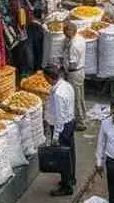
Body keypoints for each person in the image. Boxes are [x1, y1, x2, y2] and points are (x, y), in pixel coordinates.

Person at [43, 65, 77, 196]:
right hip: (70, 122)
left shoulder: (57, 94)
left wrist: (55, 136)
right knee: (70, 153)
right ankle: (71, 178)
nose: (45, 81)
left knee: (62, 156)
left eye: (46, 78)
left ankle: (66, 186)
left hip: (62, 127)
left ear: (50, 78)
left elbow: (59, 117)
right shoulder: (66, 85)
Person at [63, 21, 88, 130]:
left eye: (65, 32)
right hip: (81, 71)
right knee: (81, 96)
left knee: (76, 98)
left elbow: (72, 64)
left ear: (70, 31)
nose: (64, 34)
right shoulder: (80, 38)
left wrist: (65, 70)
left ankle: (80, 122)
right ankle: (83, 117)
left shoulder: (73, 45)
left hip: (74, 73)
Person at [26, 8, 46, 75]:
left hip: (29, 57)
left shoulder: (29, 26)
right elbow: (38, 46)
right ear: (41, 16)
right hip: (36, 57)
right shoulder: (39, 28)